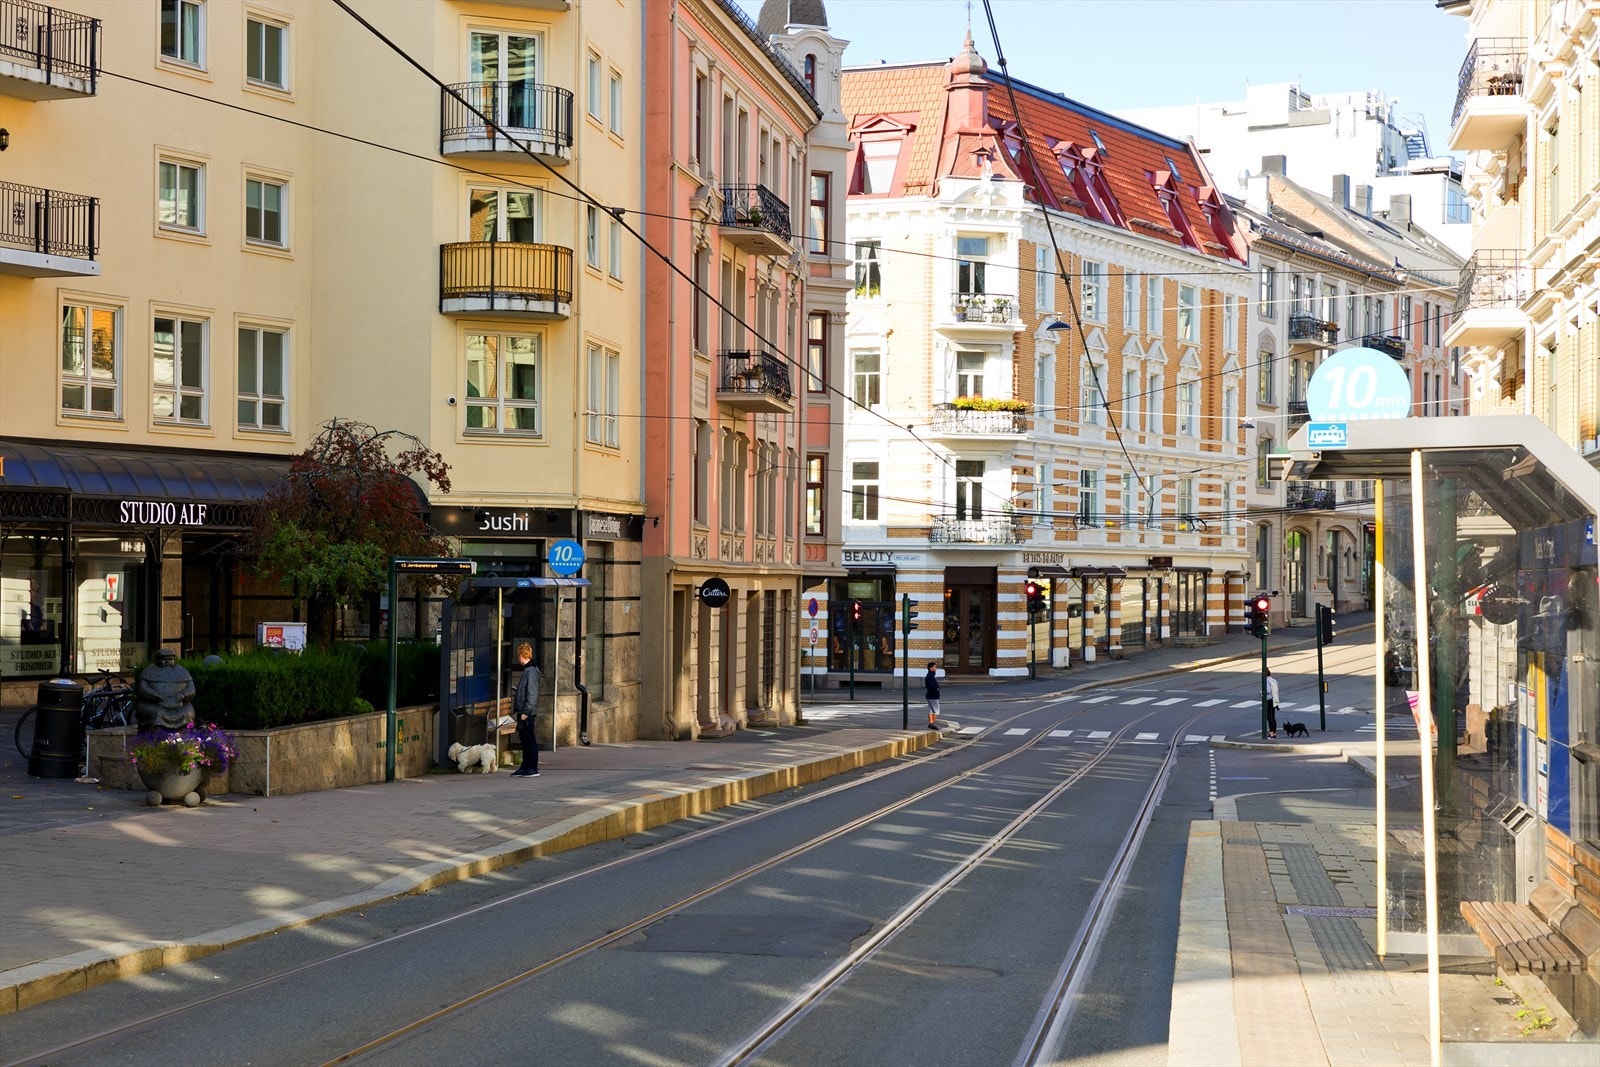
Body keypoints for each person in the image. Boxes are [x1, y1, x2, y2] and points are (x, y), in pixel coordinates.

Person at [136, 648, 196, 731]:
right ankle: (157, 736)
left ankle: (183, 738)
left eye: (170, 659)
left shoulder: (182, 671)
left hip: (179, 704)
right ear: (158, 660)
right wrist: (156, 695)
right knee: (156, 713)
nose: (167, 662)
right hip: (155, 704)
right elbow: (143, 689)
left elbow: (191, 688)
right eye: (164, 659)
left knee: (187, 713)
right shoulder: (149, 671)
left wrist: (183, 695)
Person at [511, 642, 542, 778]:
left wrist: (525, 712)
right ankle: (525, 766)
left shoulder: (531, 671)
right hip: (524, 711)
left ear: (521, 656)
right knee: (525, 739)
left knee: (529, 740)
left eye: (518, 656)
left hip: (527, 712)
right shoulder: (529, 670)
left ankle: (532, 767)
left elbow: (532, 694)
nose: (518, 659)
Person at [924, 660, 941, 728]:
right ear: (930, 668)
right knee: (936, 710)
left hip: (930, 695)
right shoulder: (930, 676)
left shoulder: (930, 675)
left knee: (931, 710)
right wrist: (936, 688)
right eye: (934, 667)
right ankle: (932, 723)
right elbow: (930, 686)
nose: (935, 668)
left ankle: (931, 723)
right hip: (933, 696)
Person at [1264, 668, 1280, 739]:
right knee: (1273, 717)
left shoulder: (1266, 680)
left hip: (1268, 700)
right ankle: (1274, 732)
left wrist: (1261, 693)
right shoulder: (1274, 680)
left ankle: (1271, 733)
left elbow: (1267, 691)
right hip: (1274, 700)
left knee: (1269, 717)